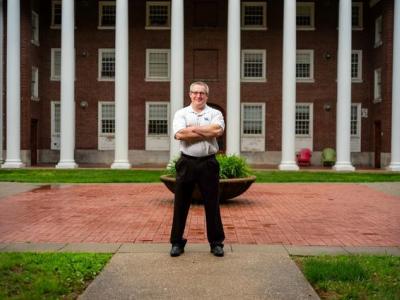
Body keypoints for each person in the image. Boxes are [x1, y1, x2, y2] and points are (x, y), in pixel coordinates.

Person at [170, 81, 225, 257]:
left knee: (212, 204)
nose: (198, 96)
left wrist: (192, 129)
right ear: (190, 94)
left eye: (202, 93)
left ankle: (216, 243)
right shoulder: (181, 113)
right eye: (195, 92)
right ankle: (177, 243)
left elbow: (217, 131)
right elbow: (180, 135)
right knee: (181, 203)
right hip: (187, 163)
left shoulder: (215, 113)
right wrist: (205, 131)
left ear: (207, 96)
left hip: (208, 163)